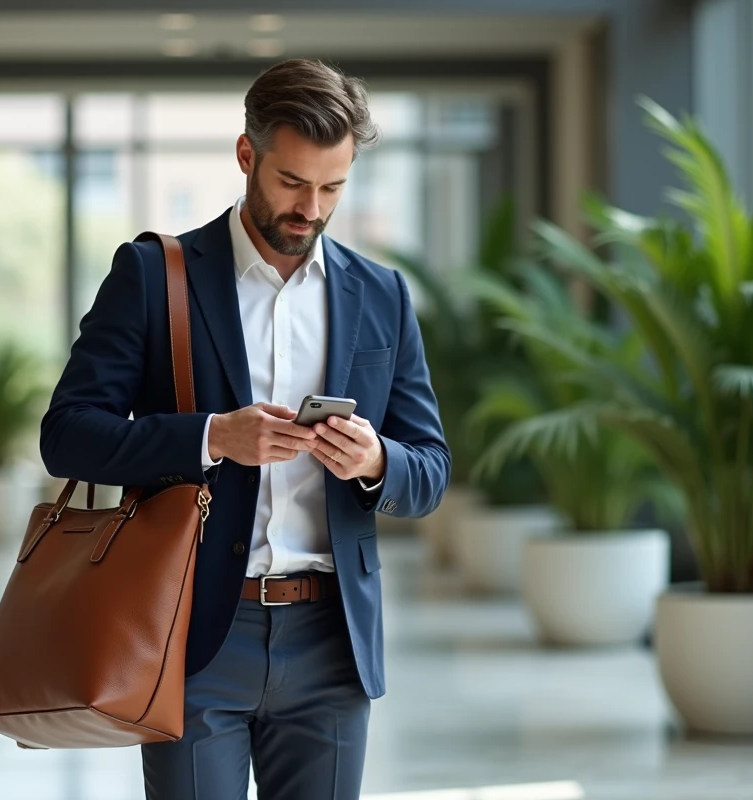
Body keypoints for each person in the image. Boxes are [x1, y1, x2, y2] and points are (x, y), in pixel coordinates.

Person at [40, 58, 450, 800]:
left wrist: (375, 460)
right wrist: (211, 438)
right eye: (292, 182)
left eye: (333, 187)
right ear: (246, 156)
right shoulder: (151, 275)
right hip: (193, 634)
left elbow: (430, 472)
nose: (312, 208)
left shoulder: (382, 295)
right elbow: (67, 434)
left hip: (333, 645)